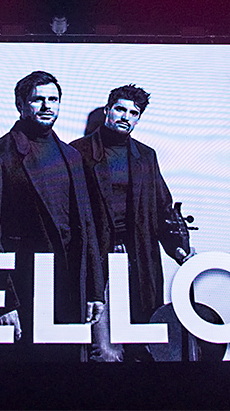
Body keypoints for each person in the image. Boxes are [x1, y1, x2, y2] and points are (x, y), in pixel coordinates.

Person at [0, 71, 104, 361]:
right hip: (22, 290)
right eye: (37, 99)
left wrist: (95, 290)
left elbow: (87, 226)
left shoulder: (72, 156)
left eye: (53, 100)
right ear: (20, 104)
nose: (46, 106)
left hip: (69, 287)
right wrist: (2, 302)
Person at [71, 84, 191, 362]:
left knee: (143, 344)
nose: (125, 116)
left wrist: (178, 248)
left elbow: (162, 206)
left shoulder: (146, 156)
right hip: (96, 256)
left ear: (138, 118)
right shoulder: (78, 152)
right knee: (104, 351)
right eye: (120, 109)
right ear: (108, 110)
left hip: (138, 255)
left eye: (133, 113)